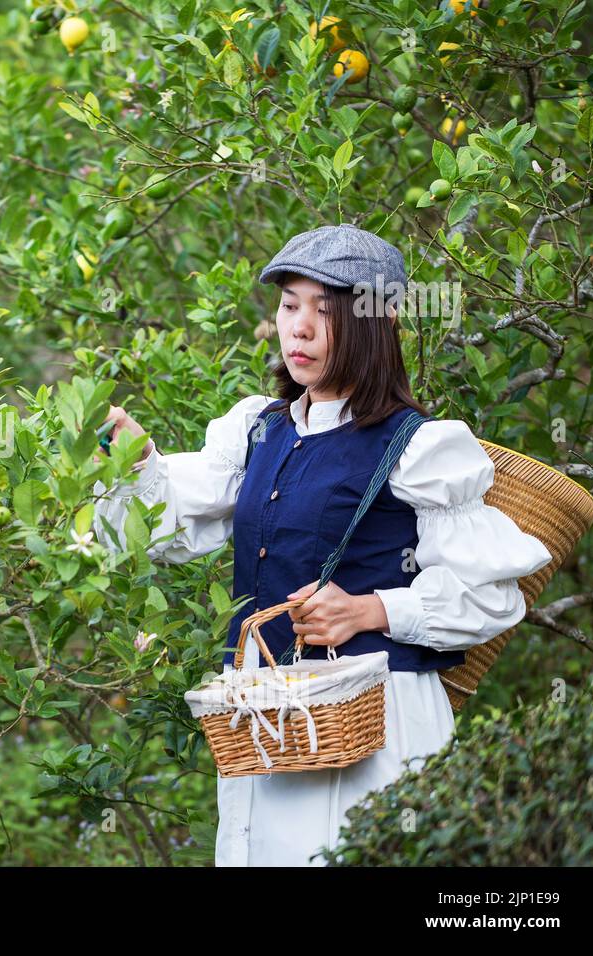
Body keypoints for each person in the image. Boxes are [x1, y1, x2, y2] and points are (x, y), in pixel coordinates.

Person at [93, 223, 552, 866]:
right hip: (270, 723)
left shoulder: (419, 448)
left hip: (373, 728)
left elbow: (490, 598)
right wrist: (134, 462)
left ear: (373, 324)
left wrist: (373, 611)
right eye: (289, 306)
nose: (298, 328)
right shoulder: (260, 431)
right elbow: (157, 530)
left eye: (325, 310)